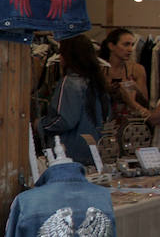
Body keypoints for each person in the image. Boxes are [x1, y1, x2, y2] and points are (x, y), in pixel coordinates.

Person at [40, 35, 111, 164]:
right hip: (93, 150)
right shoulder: (97, 81)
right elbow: (106, 116)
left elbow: (65, 120)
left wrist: (41, 124)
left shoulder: (70, 82)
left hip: (69, 151)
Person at [99, 27, 148, 113]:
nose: (130, 49)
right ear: (111, 46)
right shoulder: (100, 69)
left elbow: (145, 102)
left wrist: (135, 89)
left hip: (129, 120)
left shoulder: (137, 69)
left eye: (132, 45)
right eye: (126, 44)